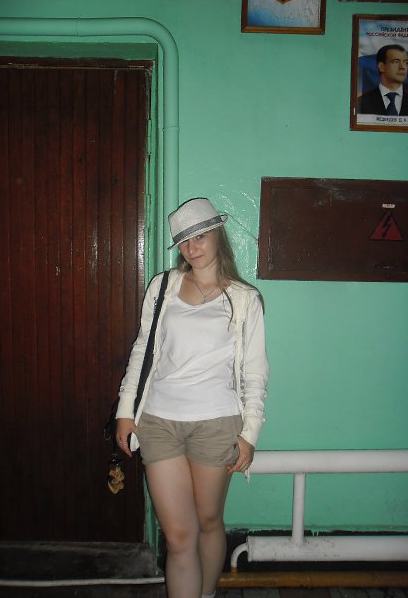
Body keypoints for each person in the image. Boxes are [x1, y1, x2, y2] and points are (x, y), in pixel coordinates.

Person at [115, 197, 269, 598]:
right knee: (179, 536)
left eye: (200, 236)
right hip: (158, 422)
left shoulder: (244, 298)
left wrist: (250, 433)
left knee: (209, 522)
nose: (192, 247)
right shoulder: (162, 287)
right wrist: (125, 411)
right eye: (184, 240)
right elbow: (142, 350)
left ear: (217, 235)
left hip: (216, 423)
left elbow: (255, 373)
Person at [357, 44, 408, 116]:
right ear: (381, 67)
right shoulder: (360, 103)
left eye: (406, 63)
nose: (402, 67)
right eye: (396, 62)